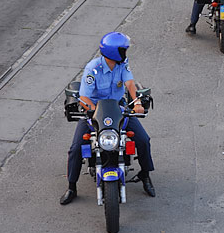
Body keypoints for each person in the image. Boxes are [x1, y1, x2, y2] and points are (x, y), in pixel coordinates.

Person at [60, 32, 155, 205]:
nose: (125, 53)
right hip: (95, 112)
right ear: (114, 52)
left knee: (143, 140)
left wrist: (137, 102)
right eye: (123, 50)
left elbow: (130, 84)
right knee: (75, 148)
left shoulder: (122, 64)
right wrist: (96, 113)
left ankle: (146, 175)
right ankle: (72, 187)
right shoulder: (93, 69)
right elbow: (84, 97)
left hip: (118, 109)